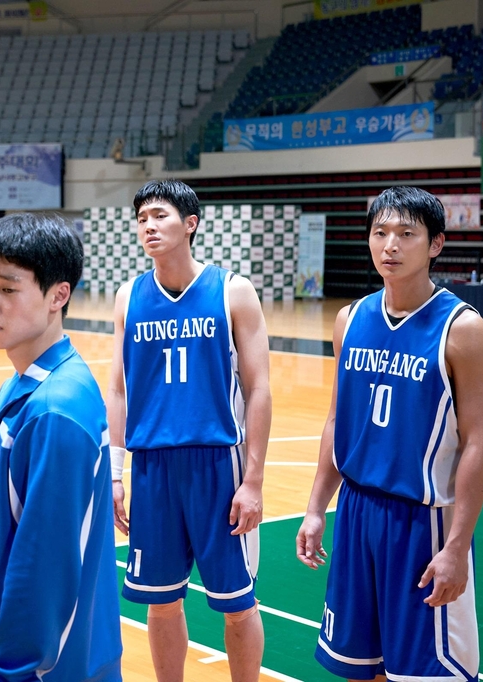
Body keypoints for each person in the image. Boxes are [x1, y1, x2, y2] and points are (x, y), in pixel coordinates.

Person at [296, 186, 483, 682]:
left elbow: (477, 444)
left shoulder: (463, 330)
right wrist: (316, 507)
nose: (390, 245)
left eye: (407, 234)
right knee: (361, 667)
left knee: (427, 674)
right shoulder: (351, 319)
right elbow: (336, 422)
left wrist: (456, 547)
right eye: (380, 232)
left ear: (435, 245)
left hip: (423, 522)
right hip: (359, 511)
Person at [108, 180, 271, 682]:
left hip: (219, 464)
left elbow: (260, 387)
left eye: (160, 216)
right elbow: (117, 391)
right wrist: (116, 473)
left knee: (238, 605)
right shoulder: (128, 295)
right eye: (141, 219)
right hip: (153, 466)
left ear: (191, 223)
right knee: (160, 603)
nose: (148, 227)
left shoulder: (231, 290)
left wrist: (254, 481)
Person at [0, 213, 124, 682]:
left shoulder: (55, 409)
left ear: (59, 295)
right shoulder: (30, 384)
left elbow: (46, 566)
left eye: (8, 290)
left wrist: (8, 669)